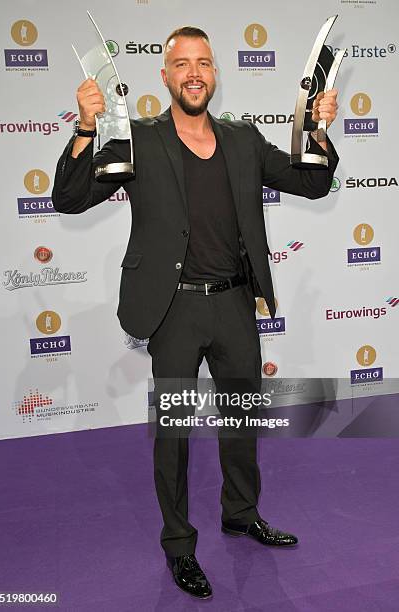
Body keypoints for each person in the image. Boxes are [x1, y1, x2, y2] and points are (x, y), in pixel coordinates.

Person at [52, 26, 339, 600]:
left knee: (240, 425)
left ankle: (241, 513)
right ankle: (180, 545)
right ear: (164, 76)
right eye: (181, 64)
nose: (193, 73)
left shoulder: (243, 140)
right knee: (175, 435)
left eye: (203, 63)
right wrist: (87, 127)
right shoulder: (134, 137)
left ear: (215, 74)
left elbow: (313, 181)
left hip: (235, 302)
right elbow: (68, 197)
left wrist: (317, 126)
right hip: (174, 309)